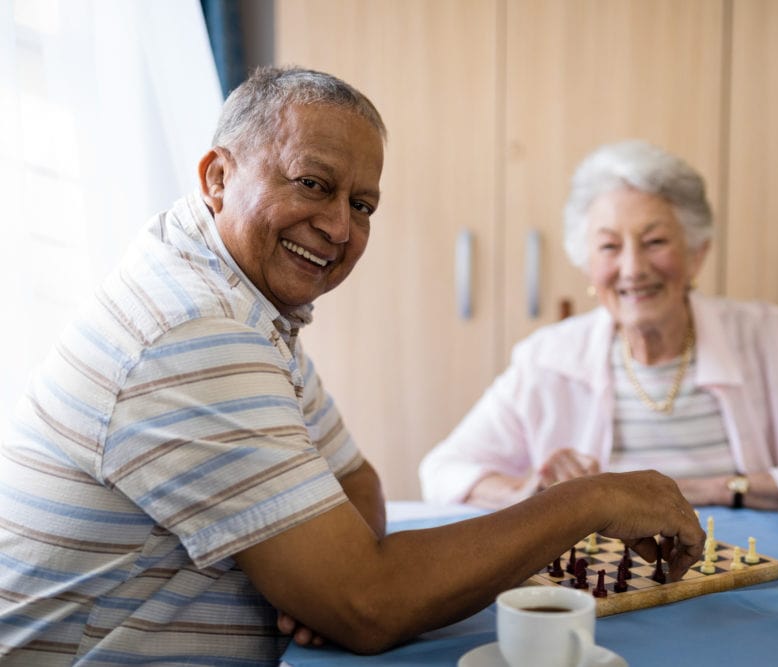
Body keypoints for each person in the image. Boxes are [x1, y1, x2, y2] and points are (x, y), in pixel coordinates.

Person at [0, 69, 704, 665]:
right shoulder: (192, 327)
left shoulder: (241, 299)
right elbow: (370, 605)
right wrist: (591, 501)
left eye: (361, 205)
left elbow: (357, 483)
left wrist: (327, 580)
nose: (340, 228)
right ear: (218, 176)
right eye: (313, 184)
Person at [419, 140, 778, 513]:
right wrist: (527, 493)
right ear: (588, 265)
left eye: (655, 241)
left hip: (755, 570)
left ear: (697, 253)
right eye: (610, 247)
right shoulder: (548, 357)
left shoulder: (772, 338)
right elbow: (441, 472)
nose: (633, 269)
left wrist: (717, 489)